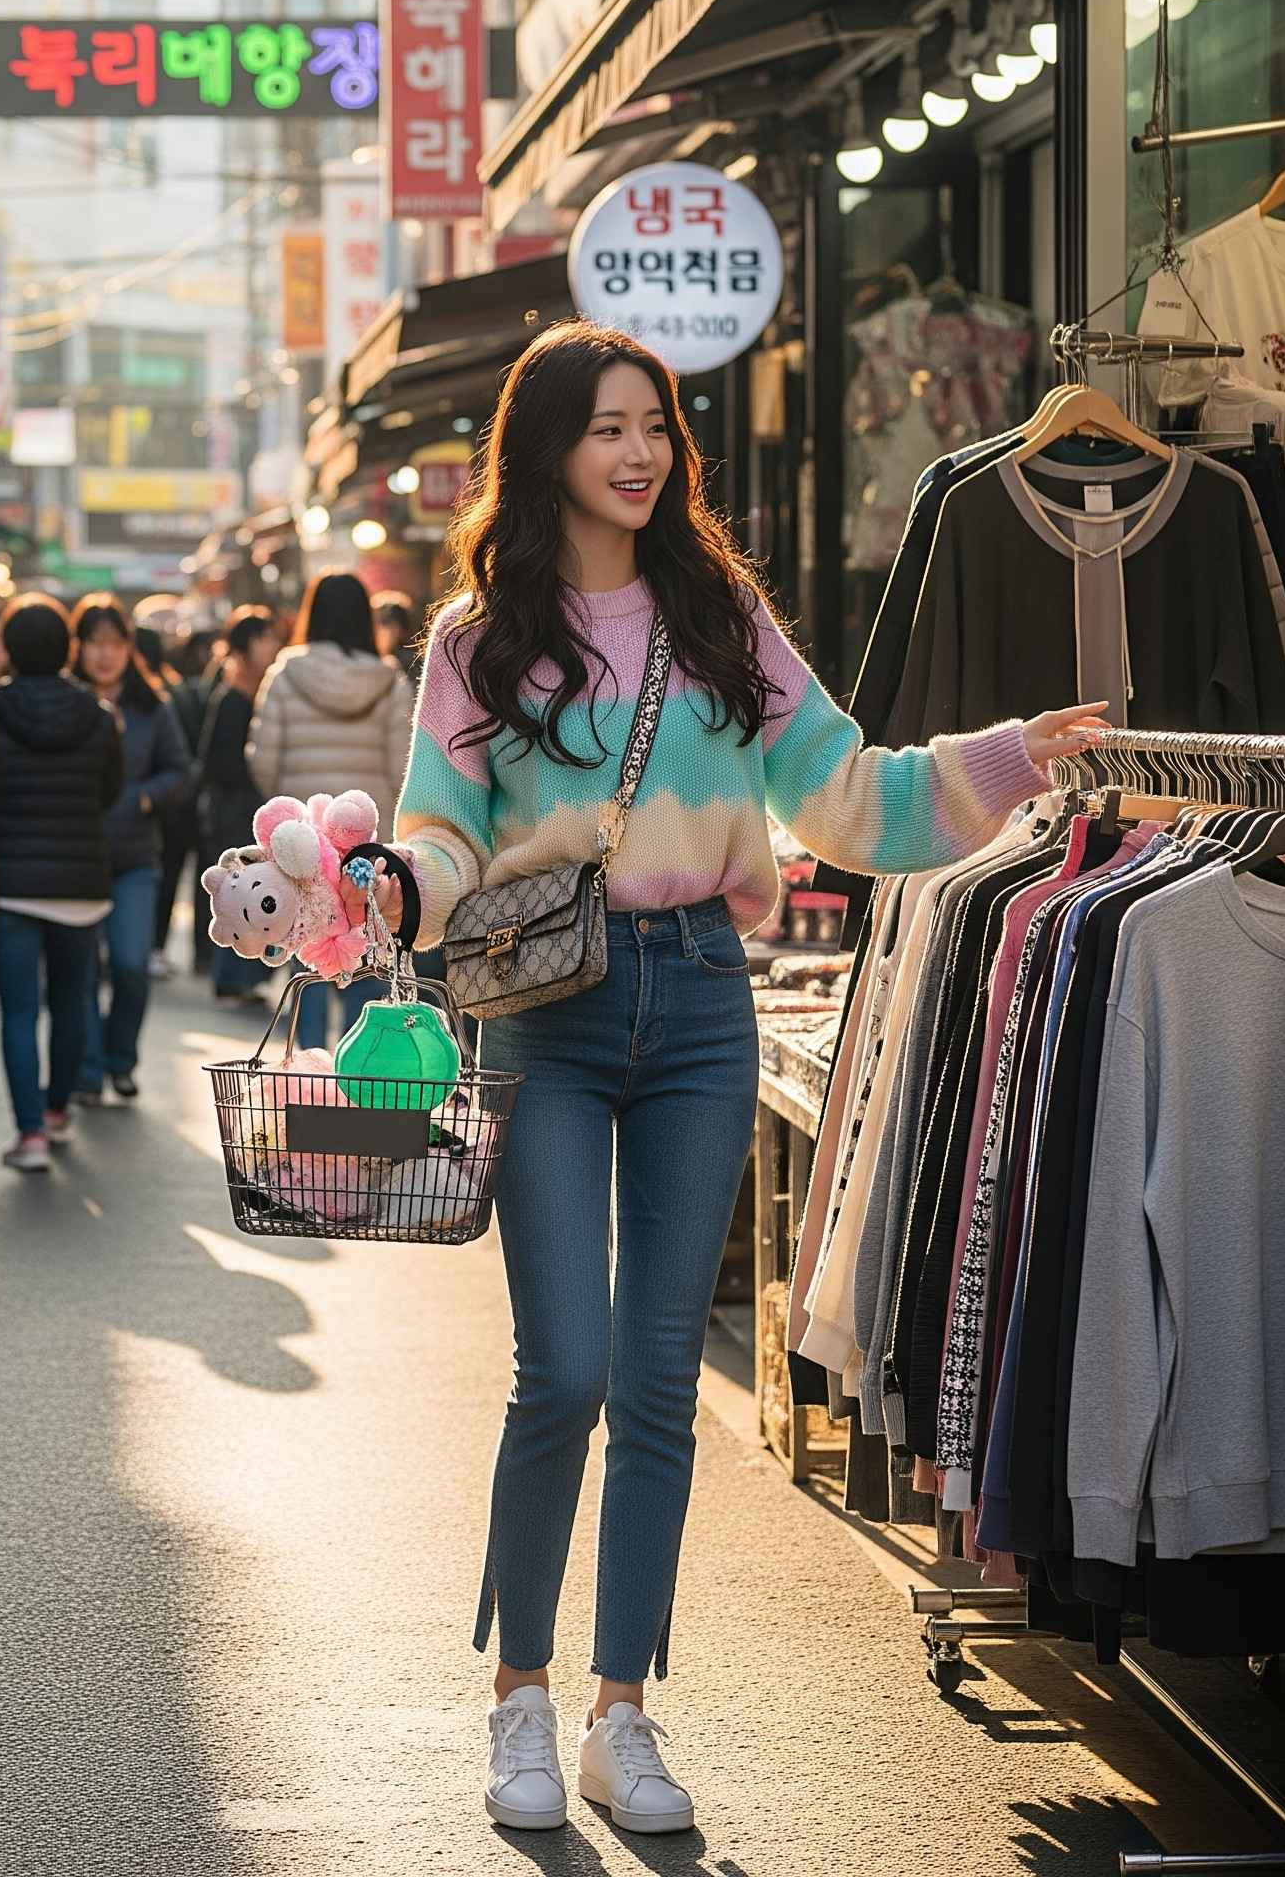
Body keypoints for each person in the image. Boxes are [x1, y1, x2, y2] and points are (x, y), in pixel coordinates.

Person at [363, 321, 1103, 1835]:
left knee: (654, 1386)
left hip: (701, 998)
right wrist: (401, 885)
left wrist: (1015, 755)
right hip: (546, 1012)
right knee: (559, 1371)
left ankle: (620, 1718)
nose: (638, 454)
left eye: (656, 427)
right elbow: (440, 832)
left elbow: (850, 796)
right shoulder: (476, 641)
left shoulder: (719, 618)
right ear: (549, 445)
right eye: (608, 428)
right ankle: (517, 1693)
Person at [0, 594, 124, 1173]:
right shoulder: (98, 716)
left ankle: (29, 1135)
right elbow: (109, 793)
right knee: (73, 1000)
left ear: (9, 649)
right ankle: (56, 1110)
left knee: (20, 1010)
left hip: (12, 886)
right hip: (82, 883)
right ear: (68, 649)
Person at [248, 570, 414, 1048]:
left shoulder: (286, 673)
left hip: (300, 845)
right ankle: (365, 1080)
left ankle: (315, 1076)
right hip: (366, 844)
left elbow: (263, 761)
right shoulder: (389, 682)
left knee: (309, 952)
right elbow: (402, 768)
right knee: (368, 951)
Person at [69, 596, 190, 1101]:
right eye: (94, 643)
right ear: (78, 648)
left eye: (114, 644)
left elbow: (182, 771)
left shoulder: (151, 706)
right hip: (74, 858)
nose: (104, 655)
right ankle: (89, 1069)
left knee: (129, 964)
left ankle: (121, 1059)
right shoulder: (66, 702)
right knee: (80, 972)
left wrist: (145, 797)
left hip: (136, 858)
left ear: (128, 649)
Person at [198, 607, 281, 1001]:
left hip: (252, 807)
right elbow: (215, 761)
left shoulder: (262, 692)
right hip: (234, 809)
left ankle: (246, 978)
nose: (274, 646)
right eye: (266, 638)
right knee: (237, 889)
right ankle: (231, 975)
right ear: (248, 644)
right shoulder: (231, 696)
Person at [152, 627, 221, 977]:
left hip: (185, 798)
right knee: (179, 874)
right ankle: (193, 952)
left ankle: (184, 949)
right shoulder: (184, 694)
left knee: (190, 875)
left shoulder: (178, 693)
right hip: (186, 799)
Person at [372, 589, 421, 681]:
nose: (377, 629)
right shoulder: (370, 659)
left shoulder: (411, 664)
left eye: (384, 622)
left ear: (401, 628)